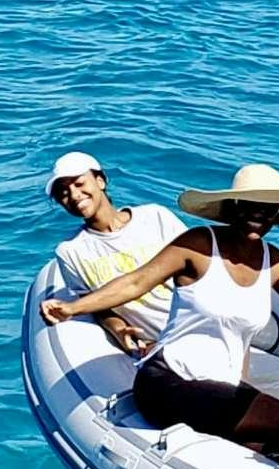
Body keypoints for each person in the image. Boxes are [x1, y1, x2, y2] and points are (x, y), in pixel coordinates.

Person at [39, 164, 279, 461]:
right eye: (249, 206)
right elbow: (135, 283)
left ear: (278, 216)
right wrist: (73, 308)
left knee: (271, 434)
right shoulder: (198, 245)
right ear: (233, 208)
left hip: (220, 386)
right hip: (168, 381)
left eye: (267, 209)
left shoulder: (275, 263)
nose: (257, 216)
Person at [45, 151, 185, 358]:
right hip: (157, 344)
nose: (74, 195)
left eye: (79, 184)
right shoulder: (69, 251)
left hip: (196, 328)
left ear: (100, 181)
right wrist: (120, 331)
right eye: (63, 193)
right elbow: (98, 307)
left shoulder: (156, 216)